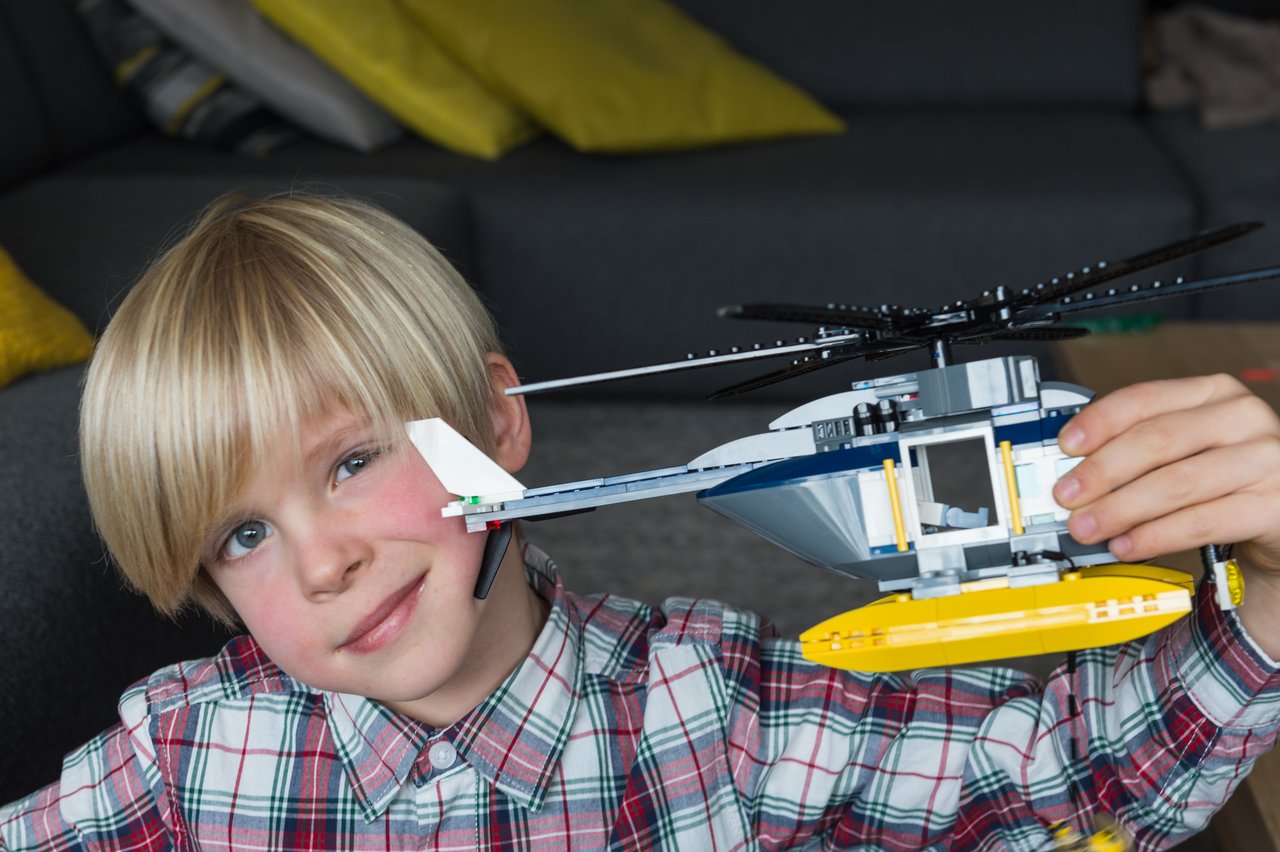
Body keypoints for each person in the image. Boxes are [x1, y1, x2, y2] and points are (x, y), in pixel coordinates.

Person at [2, 193, 1279, 851]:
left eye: (349, 461)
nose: (322, 560)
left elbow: (1072, 766)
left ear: (499, 424)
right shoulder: (182, 755)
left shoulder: (717, 712)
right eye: (243, 537)